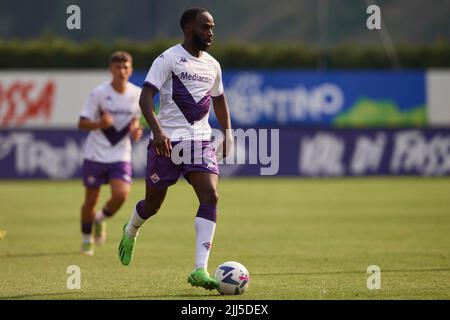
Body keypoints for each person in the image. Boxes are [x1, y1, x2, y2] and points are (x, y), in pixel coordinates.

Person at [118, 7, 233, 291]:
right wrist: (157, 131)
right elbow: (146, 97)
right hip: (167, 143)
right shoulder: (167, 59)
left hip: (200, 142)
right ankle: (131, 228)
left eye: (212, 27)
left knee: (211, 195)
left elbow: (219, 100)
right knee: (153, 206)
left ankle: (200, 269)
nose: (210, 32)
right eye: (205, 27)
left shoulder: (213, 65)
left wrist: (228, 134)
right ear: (188, 28)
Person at [78, 51, 143, 256]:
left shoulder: (137, 94)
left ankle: (100, 219)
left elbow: (136, 120)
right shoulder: (99, 93)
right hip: (96, 154)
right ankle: (87, 239)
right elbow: (81, 123)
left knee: (121, 194)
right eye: (117, 67)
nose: (121, 71)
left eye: (125, 67)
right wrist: (99, 123)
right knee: (91, 199)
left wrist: (135, 130)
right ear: (110, 70)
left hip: (120, 155)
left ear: (131, 70)